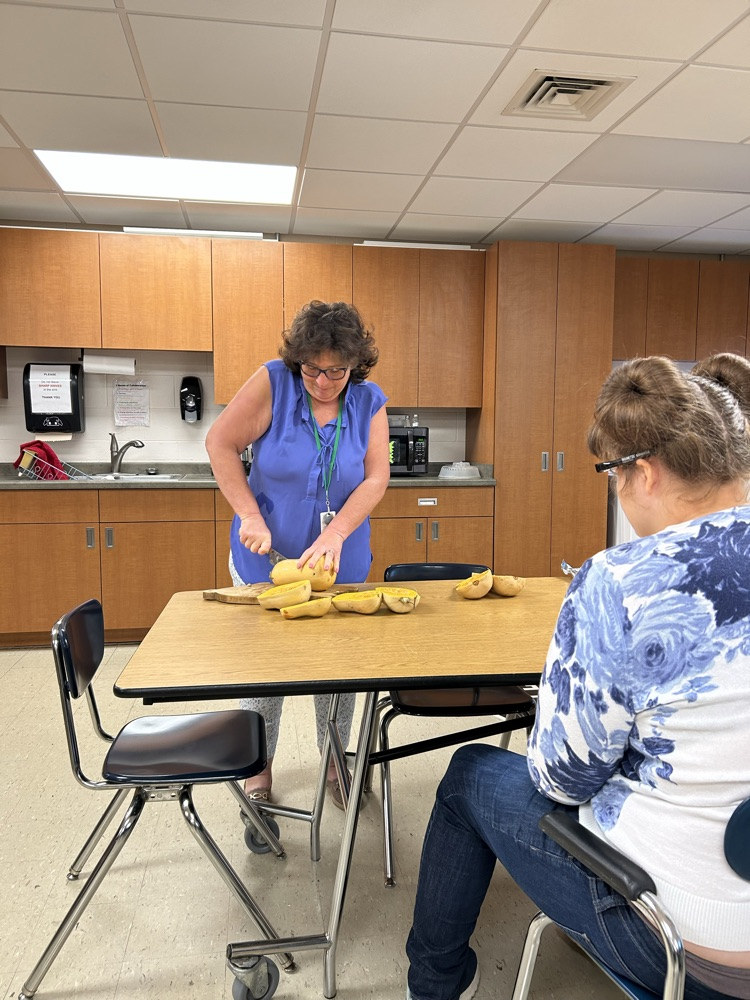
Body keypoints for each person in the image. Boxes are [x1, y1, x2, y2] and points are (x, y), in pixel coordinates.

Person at [405, 353, 750, 1000]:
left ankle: (434, 983)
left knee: (469, 775)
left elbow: (560, 780)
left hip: (689, 952)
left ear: (644, 472)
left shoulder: (619, 583)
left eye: (611, 473)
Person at [205, 300, 389, 808]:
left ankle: (334, 763)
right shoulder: (273, 382)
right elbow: (220, 443)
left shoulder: (369, 401)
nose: (323, 382)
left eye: (336, 371)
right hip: (266, 559)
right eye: (312, 369)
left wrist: (337, 534)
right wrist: (249, 515)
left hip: (340, 561)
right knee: (266, 670)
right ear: (298, 361)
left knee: (337, 669)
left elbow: (376, 477)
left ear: (355, 365)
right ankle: (258, 770)